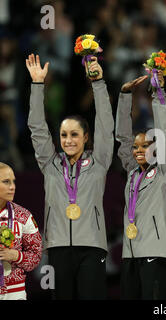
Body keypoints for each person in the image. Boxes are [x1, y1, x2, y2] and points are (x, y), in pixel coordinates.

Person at [26, 53, 114, 299]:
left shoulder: (99, 162)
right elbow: (37, 128)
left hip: (92, 247)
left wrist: (98, 84)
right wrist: (37, 86)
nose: (68, 140)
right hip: (57, 247)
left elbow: (106, 127)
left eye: (75, 135)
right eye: (64, 135)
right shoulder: (50, 163)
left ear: (86, 137)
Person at [116, 72, 166, 300]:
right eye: (136, 147)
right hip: (129, 253)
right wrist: (124, 97)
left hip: (155, 252)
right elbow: (122, 137)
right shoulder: (132, 172)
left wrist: (158, 94)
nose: (139, 150)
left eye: (146, 145)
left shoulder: (164, 172)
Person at [0, 162, 42, 300]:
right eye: (6, 182)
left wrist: (16, 256)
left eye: (13, 181)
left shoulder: (23, 216)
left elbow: (36, 257)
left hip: (14, 292)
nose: (12, 187)